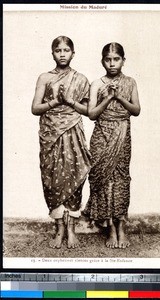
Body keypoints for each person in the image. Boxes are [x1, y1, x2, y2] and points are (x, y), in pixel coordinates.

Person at [31, 36, 91, 249]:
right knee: (52, 177)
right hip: (50, 132)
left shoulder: (81, 79)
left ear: (73, 53)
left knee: (75, 174)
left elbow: (88, 111)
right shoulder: (45, 77)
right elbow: (35, 108)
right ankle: (59, 229)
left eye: (67, 50)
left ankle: (72, 229)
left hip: (73, 130)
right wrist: (55, 101)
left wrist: (70, 102)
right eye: (58, 50)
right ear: (53, 53)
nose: (63, 54)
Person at [84, 42, 140, 248]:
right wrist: (108, 97)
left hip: (122, 132)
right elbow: (91, 114)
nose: (112, 63)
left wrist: (119, 97)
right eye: (108, 59)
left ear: (123, 60)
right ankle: (110, 228)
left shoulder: (131, 82)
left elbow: (136, 110)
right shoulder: (97, 84)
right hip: (101, 134)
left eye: (116, 59)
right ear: (102, 61)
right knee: (103, 178)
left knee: (121, 178)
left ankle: (121, 226)